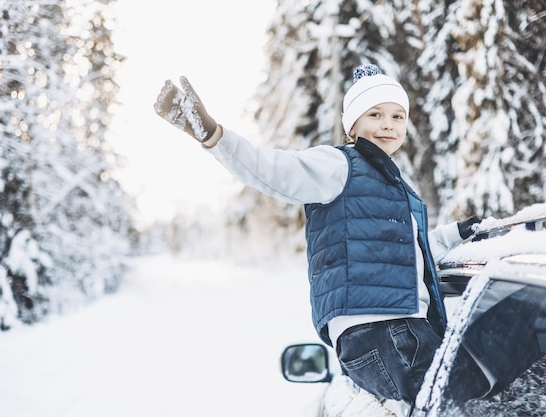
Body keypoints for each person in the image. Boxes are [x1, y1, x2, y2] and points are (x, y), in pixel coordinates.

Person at [153, 64, 490, 408]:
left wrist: (454, 234)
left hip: (397, 330)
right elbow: (271, 170)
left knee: (480, 391)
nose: (388, 124)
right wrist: (212, 134)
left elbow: (408, 256)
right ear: (352, 124)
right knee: (465, 404)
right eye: (375, 114)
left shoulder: (400, 189)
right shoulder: (339, 166)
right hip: (382, 329)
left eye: (397, 116)